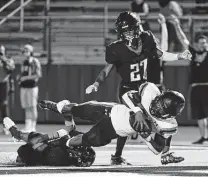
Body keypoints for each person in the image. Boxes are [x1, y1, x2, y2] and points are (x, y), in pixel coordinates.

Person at [85, 11, 191, 165]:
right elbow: (106, 70)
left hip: (144, 86)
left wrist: (179, 56)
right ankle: (117, 155)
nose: (128, 34)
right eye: (125, 31)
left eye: (130, 30)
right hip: (127, 89)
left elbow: (160, 54)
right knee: (125, 122)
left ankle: (166, 153)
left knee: (167, 111)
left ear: (137, 27)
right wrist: (96, 83)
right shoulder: (116, 48)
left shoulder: (147, 38)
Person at [40, 82, 185, 165]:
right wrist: (137, 111)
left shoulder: (168, 126)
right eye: (158, 101)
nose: (156, 106)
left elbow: (157, 149)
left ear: (169, 114)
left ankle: (62, 142)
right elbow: (126, 96)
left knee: (86, 140)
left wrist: (146, 135)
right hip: (111, 109)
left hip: (114, 128)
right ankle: (59, 108)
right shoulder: (150, 92)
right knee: (79, 108)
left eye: (161, 107)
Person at [171, 15, 208, 144]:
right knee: (199, 115)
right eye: (202, 43)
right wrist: (177, 25)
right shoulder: (192, 54)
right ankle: (203, 137)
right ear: (197, 44)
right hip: (196, 88)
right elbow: (183, 40)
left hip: (207, 87)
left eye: (206, 43)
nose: (204, 45)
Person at [3, 117, 95, 167]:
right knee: (38, 139)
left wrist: (45, 138)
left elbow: (48, 142)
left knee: (36, 141)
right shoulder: (78, 142)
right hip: (46, 150)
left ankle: (18, 135)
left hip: (42, 153)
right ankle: (18, 135)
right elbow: (71, 130)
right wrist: (68, 116)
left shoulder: (60, 156)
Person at [17, 44, 42, 132]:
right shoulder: (23, 62)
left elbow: (38, 75)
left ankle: (33, 127)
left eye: (27, 50)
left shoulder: (35, 61)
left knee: (32, 106)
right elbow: (23, 73)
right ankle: (27, 126)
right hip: (24, 87)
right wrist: (20, 78)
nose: (25, 52)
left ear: (31, 52)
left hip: (32, 87)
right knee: (26, 107)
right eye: (24, 51)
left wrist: (26, 77)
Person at [0, 45, 15, 135]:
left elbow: (10, 69)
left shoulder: (8, 59)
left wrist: (3, 59)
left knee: (4, 106)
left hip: (4, 84)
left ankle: (5, 127)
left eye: (1, 50)